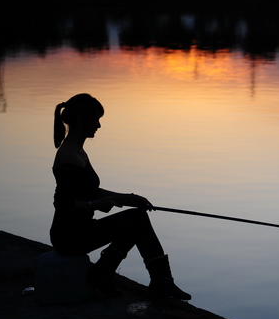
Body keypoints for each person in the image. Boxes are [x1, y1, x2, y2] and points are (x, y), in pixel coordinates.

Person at [49, 93, 191, 300]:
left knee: (135, 219)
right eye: (96, 119)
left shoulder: (77, 152)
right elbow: (63, 204)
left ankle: (106, 273)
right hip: (69, 237)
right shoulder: (68, 156)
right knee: (137, 220)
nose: (98, 125)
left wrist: (128, 198)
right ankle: (160, 282)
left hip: (79, 230)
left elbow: (89, 191)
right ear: (81, 119)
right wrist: (96, 205)